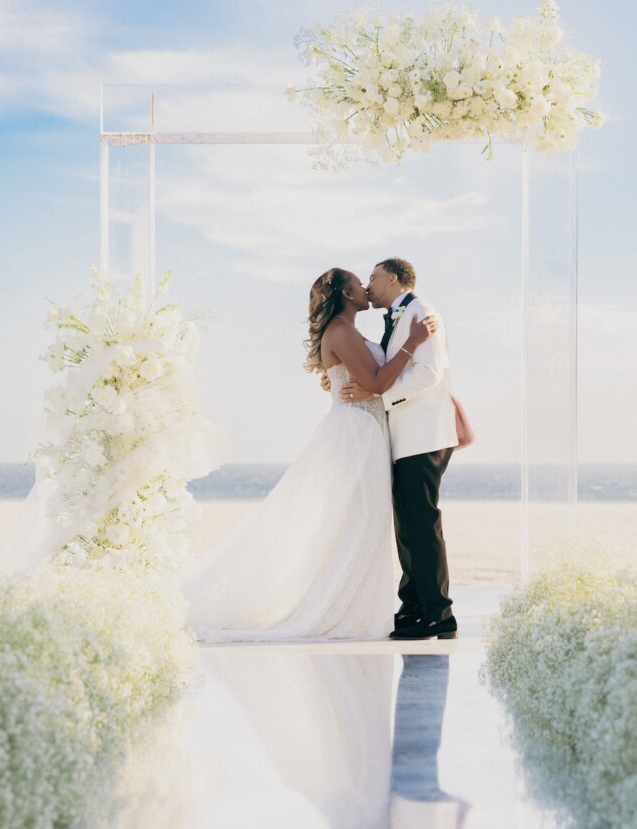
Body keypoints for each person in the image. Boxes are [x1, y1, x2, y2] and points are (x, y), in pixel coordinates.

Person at [183, 267, 436, 641]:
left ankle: (357, 608)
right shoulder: (340, 330)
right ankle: (340, 610)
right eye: (358, 282)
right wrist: (412, 342)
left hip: (366, 429)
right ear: (347, 295)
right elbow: (378, 383)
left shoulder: (347, 331)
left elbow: (363, 377)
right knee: (359, 522)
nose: (366, 287)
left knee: (362, 522)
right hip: (357, 434)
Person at [340, 259, 459, 641]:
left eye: (373, 278)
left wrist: (379, 393)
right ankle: (413, 608)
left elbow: (428, 373)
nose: (369, 285)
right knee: (407, 527)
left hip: (423, 435)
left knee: (422, 525)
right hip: (404, 437)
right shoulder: (398, 317)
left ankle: (439, 614)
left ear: (393, 278)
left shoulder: (422, 313)